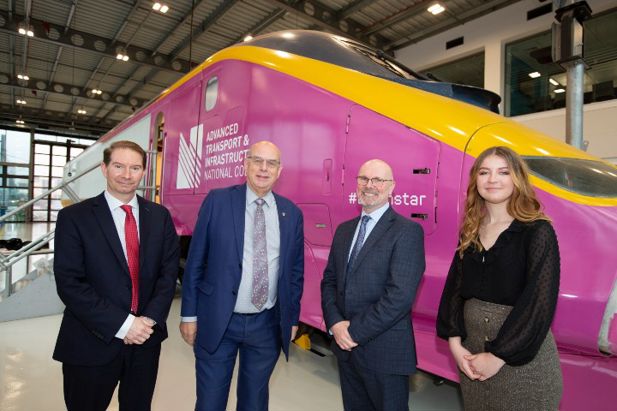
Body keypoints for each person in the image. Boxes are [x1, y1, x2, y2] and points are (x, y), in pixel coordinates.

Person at [53, 140, 180, 411]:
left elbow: (167, 276)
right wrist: (124, 324)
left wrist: (147, 321)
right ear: (104, 168)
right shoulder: (74, 218)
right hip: (91, 341)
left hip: (145, 341)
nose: (126, 175)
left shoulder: (159, 217)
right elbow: (70, 283)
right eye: (119, 166)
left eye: (135, 168)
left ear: (144, 171)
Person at [179, 140, 304, 411]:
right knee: (210, 403)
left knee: (254, 403)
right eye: (257, 160)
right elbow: (196, 260)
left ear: (279, 171)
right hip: (218, 319)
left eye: (271, 163)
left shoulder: (291, 213)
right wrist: (188, 314)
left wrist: (292, 318)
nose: (263, 168)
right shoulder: (218, 201)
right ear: (245, 164)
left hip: (266, 325)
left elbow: (295, 272)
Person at [437, 146, 562, 410]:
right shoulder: (471, 231)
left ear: (517, 179)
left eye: (503, 172)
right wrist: (455, 344)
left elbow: (539, 304)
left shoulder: (537, 231)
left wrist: (497, 356)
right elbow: (454, 290)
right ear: (475, 180)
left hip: (522, 362)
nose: (492, 179)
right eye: (484, 172)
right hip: (472, 356)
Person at [321, 159, 425, 411]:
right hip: (347, 352)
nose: (369, 185)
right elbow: (330, 281)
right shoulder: (344, 230)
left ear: (392, 187)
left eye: (378, 180)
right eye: (363, 179)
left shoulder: (407, 231)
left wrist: (352, 333)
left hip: (384, 353)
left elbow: (399, 297)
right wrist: (335, 324)